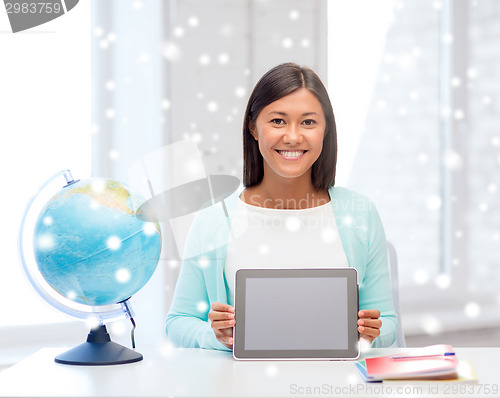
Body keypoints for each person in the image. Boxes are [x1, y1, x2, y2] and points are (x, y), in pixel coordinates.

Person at [165, 63, 397, 350]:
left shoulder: (359, 213)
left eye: (308, 122)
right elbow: (178, 321)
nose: (293, 136)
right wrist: (217, 337)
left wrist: (370, 334)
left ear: (325, 130)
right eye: (278, 121)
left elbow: (387, 322)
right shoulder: (215, 220)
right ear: (253, 128)